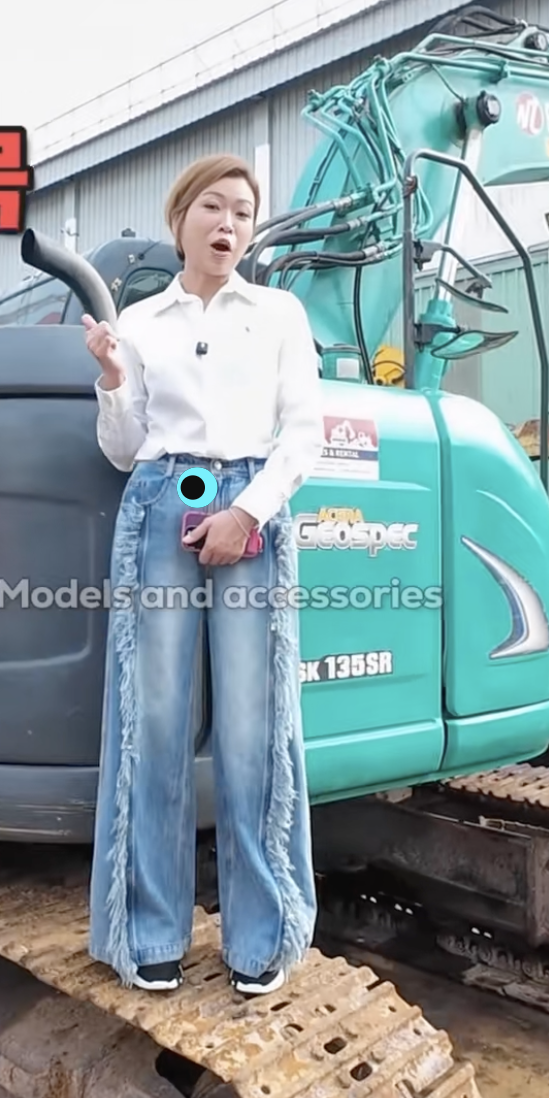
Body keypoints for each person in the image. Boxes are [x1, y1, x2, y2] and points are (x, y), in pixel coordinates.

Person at [81, 154, 325, 996]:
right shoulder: (142, 321)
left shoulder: (280, 314)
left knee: (255, 725)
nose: (229, 224)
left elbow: (304, 433)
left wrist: (246, 514)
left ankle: (260, 939)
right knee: (154, 720)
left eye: (244, 214)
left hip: (249, 498)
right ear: (180, 217)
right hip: (160, 497)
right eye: (214, 207)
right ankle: (150, 931)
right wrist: (113, 382)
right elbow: (123, 448)